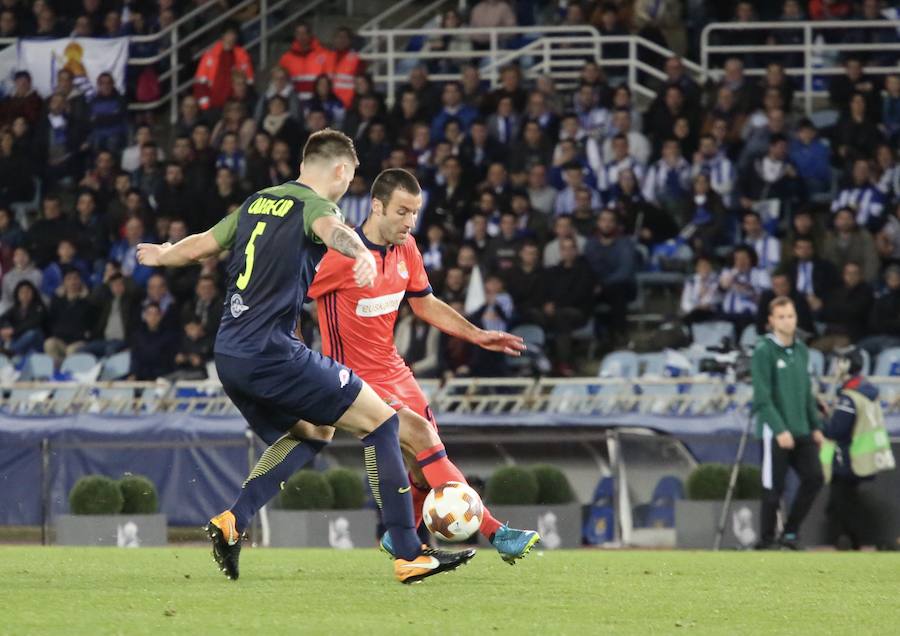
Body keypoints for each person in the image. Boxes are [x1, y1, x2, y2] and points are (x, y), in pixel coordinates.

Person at [136, 129, 474, 584]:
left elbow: (202, 245)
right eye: (350, 176)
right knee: (383, 422)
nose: (348, 186)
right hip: (273, 351)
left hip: (230, 353)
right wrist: (362, 253)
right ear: (339, 169)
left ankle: (233, 521)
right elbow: (332, 230)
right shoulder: (317, 205)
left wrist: (162, 254)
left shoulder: (258, 201)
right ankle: (409, 553)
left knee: (314, 431)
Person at [306, 169, 538, 561]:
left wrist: (476, 334)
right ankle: (496, 532)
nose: (410, 222)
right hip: (354, 380)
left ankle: (402, 535)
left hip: (395, 370)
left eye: (415, 213)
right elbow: (293, 293)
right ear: (376, 206)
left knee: (424, 463)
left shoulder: (407, 248)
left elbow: (424, 303)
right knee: (424, 439)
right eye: (402, 212)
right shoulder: (338, 255)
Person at [751, 296, 825, 549]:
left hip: (801, 428)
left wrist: (815, 426)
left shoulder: (802, 350)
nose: (787, 321)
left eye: (791, 316)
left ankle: (790, 532)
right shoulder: (764, 350)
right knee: (773, 489)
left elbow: (806, 391)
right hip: (775, 432)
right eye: (781, 316)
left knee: (815, 477)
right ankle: (766, 539)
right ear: (771, 321)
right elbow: (762, 396)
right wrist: (779, 429)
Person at [821, 347, 896, 550]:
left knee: (842, 504)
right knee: (843, 503)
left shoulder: (850, 396)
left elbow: (837, 430)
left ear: (847, 364)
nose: (836, 366)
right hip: (863, 455)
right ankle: (852, 542)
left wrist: (821, 421)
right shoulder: (866, 390)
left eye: (840, 362)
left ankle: (855, 542)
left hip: (848, 457)